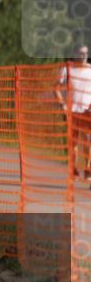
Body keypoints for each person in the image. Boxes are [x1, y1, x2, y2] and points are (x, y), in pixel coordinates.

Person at [56, 44, 91, 181]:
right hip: (72, 111)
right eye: (81, 53)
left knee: (87, 141)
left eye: (85, 53)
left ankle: (88, 169)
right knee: (73, 142)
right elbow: (56, 88)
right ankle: (73, 168)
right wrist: (62, 104)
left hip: (87, 111)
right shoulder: (67, 69)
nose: (83, 56)